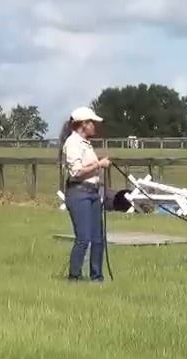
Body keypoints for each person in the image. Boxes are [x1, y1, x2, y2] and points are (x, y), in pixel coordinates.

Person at [58, 106, 111, 282]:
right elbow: (76, 172)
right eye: (92, 123)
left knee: (98, 238)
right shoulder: (72, 144)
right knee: (83, 237)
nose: (95, 127)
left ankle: (97, 276)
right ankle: (74, 276)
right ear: (83, 124)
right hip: (79, 193)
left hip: (93, 193)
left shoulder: (86, 144)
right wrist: (99, 165)